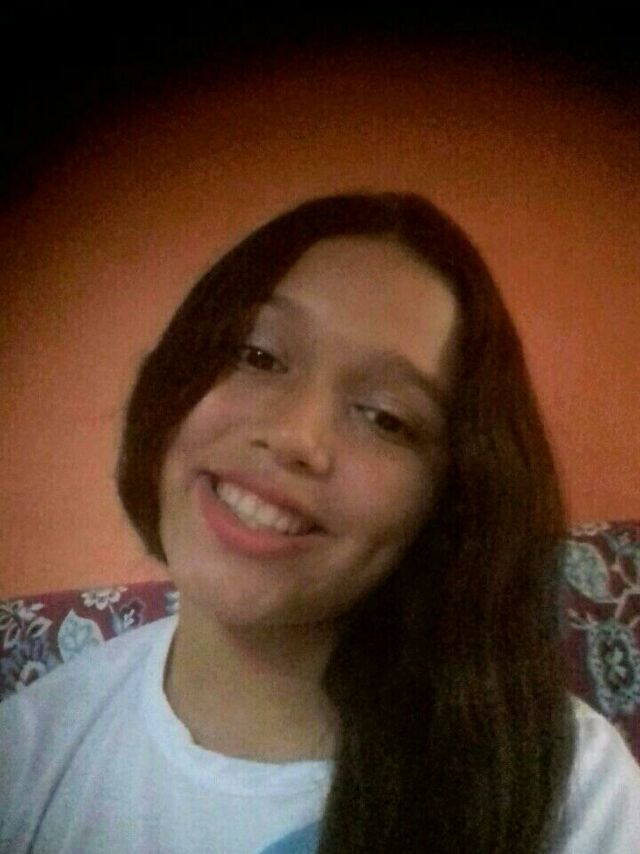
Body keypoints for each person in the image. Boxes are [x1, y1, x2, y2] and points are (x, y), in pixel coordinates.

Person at [1, 192, 639, 853]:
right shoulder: (24, 760)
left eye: (386, 418)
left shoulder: (572, 792)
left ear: (447, 501)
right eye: (257, 355)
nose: (295, 437)